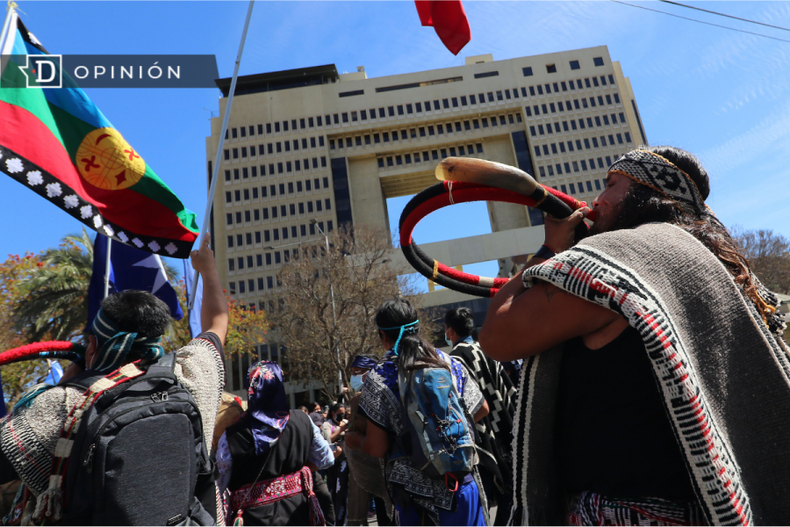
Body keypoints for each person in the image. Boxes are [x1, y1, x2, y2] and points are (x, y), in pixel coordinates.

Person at [480, 146, 790, 525]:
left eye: (610, 184)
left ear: (646, 190)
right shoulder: (702, 258)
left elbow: (498, 335)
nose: (597, 200)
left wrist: (551, 248)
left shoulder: (622, 256)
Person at [0, 235, 228, 524]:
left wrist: (69, 380)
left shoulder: (63, 402)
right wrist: (208, 270)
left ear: (92, 346)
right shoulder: (191, 376)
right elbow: (217, 324)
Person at [346, 298, 490, 526]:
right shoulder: (448, 362)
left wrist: (355, 440)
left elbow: (377, 447)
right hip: (463, 483)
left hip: (417, 500)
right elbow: (481, 408)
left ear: (383, 336)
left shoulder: (379, 377)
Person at [216, 361, 334, 525]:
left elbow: (219, 485)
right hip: (298, 513)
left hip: (253, 519)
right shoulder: (302, 420)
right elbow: (326, 459)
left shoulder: (232, 435)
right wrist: (295, 473)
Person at [444, 307, 516, 525]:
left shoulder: (453, 360)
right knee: (508, 497)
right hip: (506, 435)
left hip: (480, 443)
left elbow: (458, 405)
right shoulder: (487, 351)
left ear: (449, 331)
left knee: (482, 502)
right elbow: (509, 393)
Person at [344, 355, 393, 526]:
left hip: (374, 462)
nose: (354, 377)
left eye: (357, 372)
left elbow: (356, 434)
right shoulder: (390, 390)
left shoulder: (360, 399)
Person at [322, 402, 350, 525]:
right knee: (336, 491)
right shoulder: (327, 424)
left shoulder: (344, 422)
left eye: (343, 413)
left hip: (347, 461)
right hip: (335, 463)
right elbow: (329, 439)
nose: (342, 415)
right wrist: (341, 430)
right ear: (333, 413)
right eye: (339, 413)